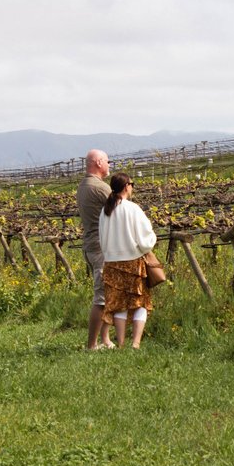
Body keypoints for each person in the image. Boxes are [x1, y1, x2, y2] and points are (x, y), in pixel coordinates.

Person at [99, 172, 158, 349]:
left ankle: (121, 343)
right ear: (126, 186)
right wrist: (148, 245)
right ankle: (136, 343)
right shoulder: (132, 208)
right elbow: (145, 236)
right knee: (140, 302)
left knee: (119, 305)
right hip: (133, 262)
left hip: (112, 263)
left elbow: (102, 237)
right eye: (132, 184)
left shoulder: (106, 210)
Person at [77, 148, 114, 350]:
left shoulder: (83, 186)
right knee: (101, 297)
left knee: (108, 294)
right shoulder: (100, 188)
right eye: (108, 161)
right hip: (100, 247)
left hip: (92, 244)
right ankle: (91, 345)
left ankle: (105, 339)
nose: (109, 165)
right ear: (99, 163)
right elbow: (121, 210)